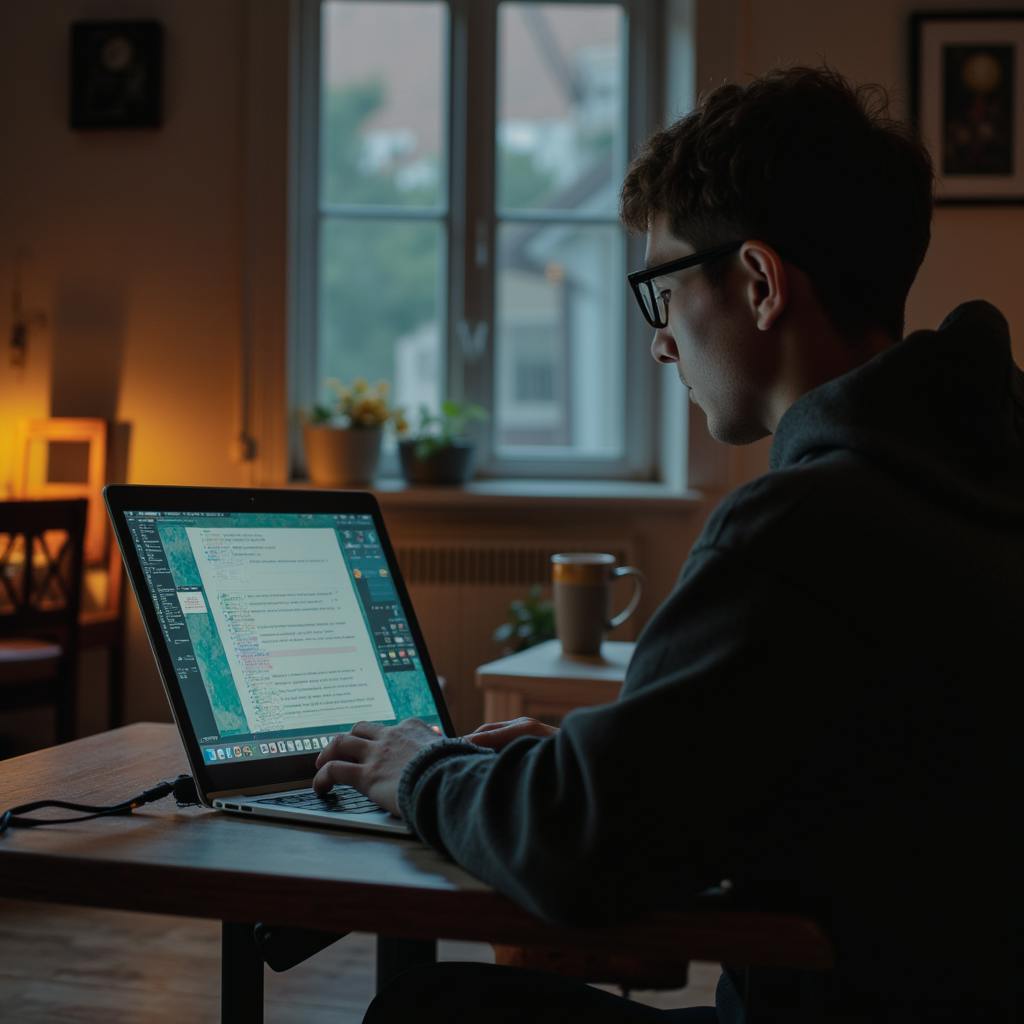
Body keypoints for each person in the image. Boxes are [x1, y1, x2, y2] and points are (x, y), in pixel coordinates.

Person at [312, 66, 1023, 1023]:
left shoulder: (799, 529)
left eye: (663, 290)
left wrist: (419, 767)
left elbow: (580, 853)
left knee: (426, 1009)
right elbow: (856, 780)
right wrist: (608, 760)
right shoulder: (978, 470)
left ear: (760, 284)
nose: (660, 342)